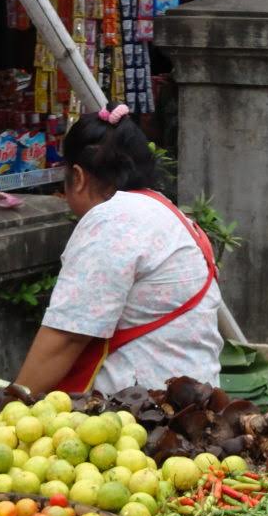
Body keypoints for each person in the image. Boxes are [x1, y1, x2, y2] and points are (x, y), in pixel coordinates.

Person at [13, 104, 223, 395]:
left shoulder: (112, 220)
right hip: (196, 403)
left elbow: (67, 336)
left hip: (144, 413)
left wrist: (9, 404)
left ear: (78, 176)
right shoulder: (167, 213)